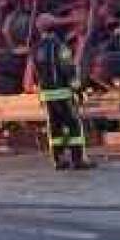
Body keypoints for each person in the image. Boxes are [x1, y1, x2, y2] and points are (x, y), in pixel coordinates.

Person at [32, 27, 90, 170]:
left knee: (54, 128)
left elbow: (35, 73)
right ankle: (78, 160)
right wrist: (78, 89)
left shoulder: (37, 49)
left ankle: (58, 160)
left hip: (47, 96)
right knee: (73, 126)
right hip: (63, 94)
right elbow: (68, 69)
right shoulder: (60, 47)